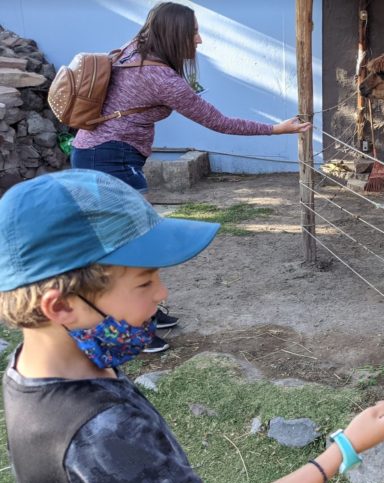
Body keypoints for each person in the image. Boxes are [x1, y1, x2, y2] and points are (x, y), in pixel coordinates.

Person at [0, 170, 384, 483]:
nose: (162, 292)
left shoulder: (39, 369)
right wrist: (345, 448)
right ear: (61, 306)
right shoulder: (99, 429)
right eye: (144, 283)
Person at [71, 1, 312, 354]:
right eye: (193, 32)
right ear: (174, 36)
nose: (199, 40)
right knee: (125, 250)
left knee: (123, 246)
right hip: (110, 159)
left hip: (96, 152)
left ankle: (144, 316)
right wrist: (277, 129)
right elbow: (218, 122)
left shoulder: (130, 51)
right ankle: (127, 330)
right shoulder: (160, 77)